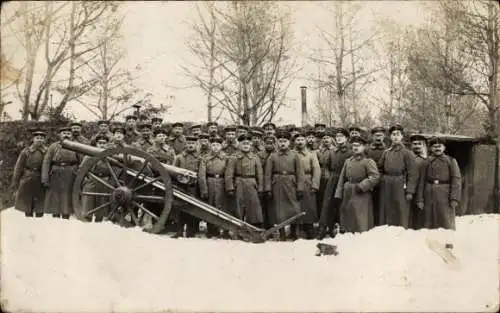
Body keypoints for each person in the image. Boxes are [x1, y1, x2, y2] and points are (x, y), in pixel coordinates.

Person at [264, 131, 305, 241]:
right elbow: (268, 174)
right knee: (279, 209)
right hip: (277, 184)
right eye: (280, 141)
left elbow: (300, 173)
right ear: (277, 142)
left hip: (291, 183)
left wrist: (300, 188)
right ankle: (281, 232)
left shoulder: (295, 156)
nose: (282, 144)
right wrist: (268, 188)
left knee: (294, 208)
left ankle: (293, 232)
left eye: (285, 141)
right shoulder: (273, 156)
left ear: (289, 143)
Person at [334, 135, 380, 233]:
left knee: (360, 216)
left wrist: (362, 186)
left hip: (361, 193)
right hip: (348, 191)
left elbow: (375, 176)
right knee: (348, 213)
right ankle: (348, 234)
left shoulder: (368, 161)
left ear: (364, 147)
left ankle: (361, 236)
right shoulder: (348, 161)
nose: (355, 148)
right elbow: (342, 178)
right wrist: (339, 192)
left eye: (358, 145)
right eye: (353, 145)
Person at [416, 137, 461, 233]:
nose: (437, 148)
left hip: (445, 194)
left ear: (444, 147)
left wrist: (454, 197)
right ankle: (430, 244)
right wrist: (420, 199)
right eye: (434, 146)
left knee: (445, 219)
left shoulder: (451, 161)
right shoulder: (426, 162)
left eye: (439, 146)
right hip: (429, 193)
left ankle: (448, 242)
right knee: (428, 219)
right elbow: (421, 181)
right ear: (431, 149)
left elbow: (456, 179)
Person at [378, 124, 419, 228]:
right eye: (393, 134)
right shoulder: (386, 153)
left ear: (402, 136)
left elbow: (413, 173)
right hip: (387, 184)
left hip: (401, 183)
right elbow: (380, 169)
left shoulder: (407, 153)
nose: (395, 137)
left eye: (398, 134)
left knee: (401, 208)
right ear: (390, 137)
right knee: (386, 208)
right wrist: (382, 179)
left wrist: (410, 191)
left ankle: (401, 231)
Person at [317, 127, 352, 239]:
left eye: (341, 136)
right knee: (328, 204)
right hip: (333, 179)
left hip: (345, 179)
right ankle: (325, 228)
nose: (339, 138)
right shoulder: (332, 152)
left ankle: (343, 228)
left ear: (346, 138)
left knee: (343, 204)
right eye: (337, 137)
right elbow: (326, 165)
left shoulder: (350, 151)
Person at [225, 134, 264, 233]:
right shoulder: (234, 157)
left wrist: (260, 188)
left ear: (251, 144)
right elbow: (229, 173)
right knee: (239, 206)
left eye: (247, 143)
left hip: (252, 184)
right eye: (243, 143)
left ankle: (254, 228)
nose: (246, 145)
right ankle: (238, 229)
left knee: (254, 206)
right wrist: (230, 187)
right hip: (239, 183)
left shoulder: (255, 157)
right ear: (239, 144)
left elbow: (260, 174)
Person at [42, 126, 81, 219]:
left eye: (68, 133)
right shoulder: (53, 146)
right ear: (60, 135)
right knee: (55, 196)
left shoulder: (76, 146)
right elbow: (46, 162)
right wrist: (45, 178)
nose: (66, 135)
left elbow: (81, 161)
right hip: (56, 173)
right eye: (64, 133)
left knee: (67, 197)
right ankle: (55, 217)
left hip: (70, 173)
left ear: (71, 135)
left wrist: (79, 176)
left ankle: (66, 216)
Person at [11, 129, 48, 217]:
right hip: (28, 178)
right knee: (27, 205)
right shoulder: (26, 151)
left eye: (41, 138)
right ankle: (28, 223)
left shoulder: (47, 151)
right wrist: (15, 181)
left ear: (44, 140)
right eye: (37, 138)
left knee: (40, 204)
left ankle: (39, 223)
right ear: (33, 139)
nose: (39, 140)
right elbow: (18, 167)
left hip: (41, 179)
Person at [199, 136, 230, 238]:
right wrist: (204, 189)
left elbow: (229, 173)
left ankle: (224, 230)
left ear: (221, 146)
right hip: (210, 182)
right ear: (210, 146)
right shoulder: (205, 158)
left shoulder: (226, 158)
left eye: (217, 145)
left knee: (223, 207)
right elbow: (202, 175)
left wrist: (229, 187)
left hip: (222, 183)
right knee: (210, 206)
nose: (215, 147)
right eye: (213, 145)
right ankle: (211, 230)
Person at [172, 135, 202, 238]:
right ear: (185, 144)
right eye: (189, 143)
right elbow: (173, 171)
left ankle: (191, 231)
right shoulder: (179, 157)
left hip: (194, 188)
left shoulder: (199, 158)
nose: (191, 145)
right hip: (181, 187)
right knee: (179, 208)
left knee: (192, 208)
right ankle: (179, 231)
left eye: (193, 143)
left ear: (196, 145)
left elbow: (201, 174)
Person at [293, 132, 321, 239]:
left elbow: (316, 170)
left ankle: (309, 228)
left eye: (302, 140)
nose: (300, 142)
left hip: (307, 181)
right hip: (294, 182)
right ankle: (296, 229)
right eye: (297, 140)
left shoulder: (311, 155)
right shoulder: (292, 154)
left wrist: (315, 185)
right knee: (296, 205)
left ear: (305, 141)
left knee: (309, 206)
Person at [80, 135, 113, 222]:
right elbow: (81, 171)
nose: (102, 145)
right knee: (87, 207)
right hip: (91, 182)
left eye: (104, 143)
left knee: (101, 209)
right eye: (100, 143)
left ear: (107, 145)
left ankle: (98, 225)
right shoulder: (88, 156)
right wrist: (85, 181)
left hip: (105, 183)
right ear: (96, 144)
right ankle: (86, 224)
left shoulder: (111, 156)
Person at [366, 126, 387, 226]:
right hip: (369, 181)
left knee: (382, 205)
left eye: (380, 135)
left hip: (383, 181)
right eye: (376, 135)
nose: (378, 137)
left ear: (384, 136)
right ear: (372, 136)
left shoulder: (387, 149)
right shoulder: (367, 150)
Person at [409, 134, 428, 229]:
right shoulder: (408, 158)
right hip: (408, 191)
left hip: (423, 192)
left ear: (423, 145)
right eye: (414, 144)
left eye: (419, 144)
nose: (416, 146)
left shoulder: (427, 160)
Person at [315, 130, 335, 221]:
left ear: (331, 139)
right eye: (323, 138)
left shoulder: (334, 150)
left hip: (331, 176)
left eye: (327, 138)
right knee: (320, 199)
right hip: (320, 177)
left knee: (330, 199)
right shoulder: (318, 151)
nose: (325, 140)